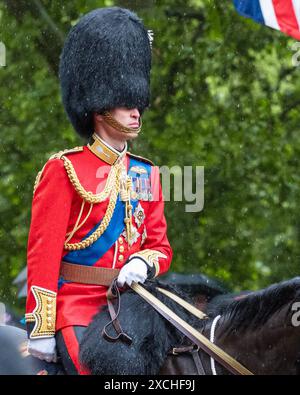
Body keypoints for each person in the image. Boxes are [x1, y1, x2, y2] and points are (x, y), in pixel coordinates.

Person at [25, 7, 173, 375]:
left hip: (134, 307)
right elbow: (43, 255)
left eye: (138, 103)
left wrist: (143, 262)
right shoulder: (64, 169)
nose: (137, 112)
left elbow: (160, 246)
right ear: (98, 107)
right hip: (76, 306)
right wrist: (42, 327)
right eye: (127, 103)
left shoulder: (146, 172)